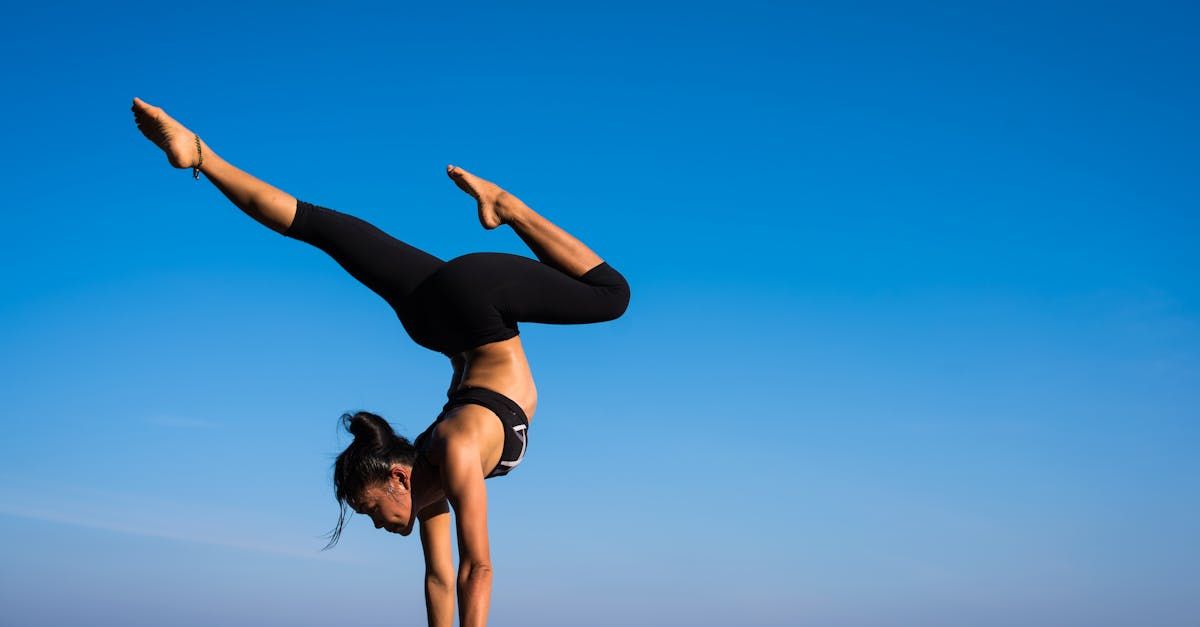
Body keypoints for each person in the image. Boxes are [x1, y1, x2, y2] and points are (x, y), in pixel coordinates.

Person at [130, 97, 630, 627]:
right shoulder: (429, 486)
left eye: (370, 509)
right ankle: (201, 155)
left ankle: (508, 207)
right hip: (435, 318)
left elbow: (476, 569)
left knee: (611, 294)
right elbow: (439, 580)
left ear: (398, 477)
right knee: (320, 227)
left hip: (480, 308)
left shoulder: (455, 452)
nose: (376, 525)